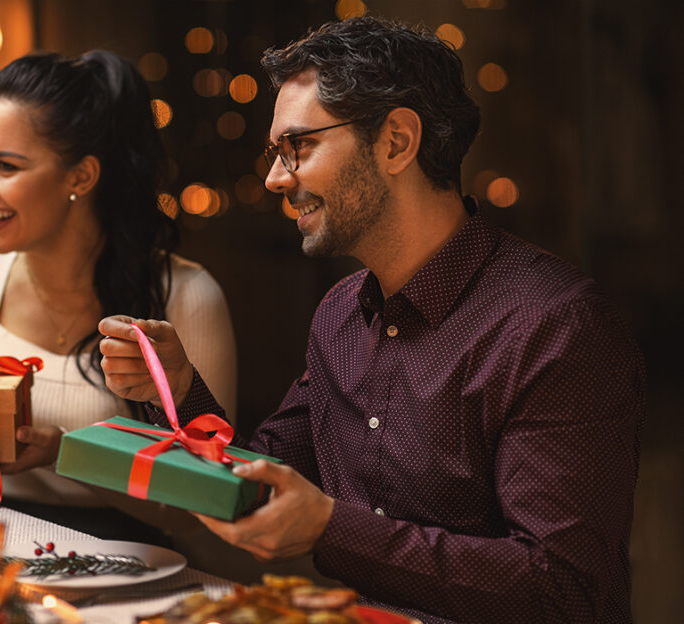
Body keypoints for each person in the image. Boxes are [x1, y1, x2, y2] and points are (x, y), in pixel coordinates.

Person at [98, 16, 645, 624]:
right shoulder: (341, 313)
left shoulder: (556, 325)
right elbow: (267, 472)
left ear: (396, 143)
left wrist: (333, 529)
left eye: (297, 146)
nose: (276, 178)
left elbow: (565, 590)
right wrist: (176, 391)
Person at [0, 50, 237, 535]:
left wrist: (66, 454)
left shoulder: (188, 296)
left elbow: (207, 503)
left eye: (6, 166)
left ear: (80, 176)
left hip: (134, 560)